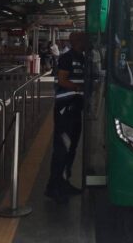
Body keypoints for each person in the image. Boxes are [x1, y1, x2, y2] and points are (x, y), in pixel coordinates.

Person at [45, 32, 87, 203]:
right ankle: (54, 187)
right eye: (83, 40)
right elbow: (62, 80)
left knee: (72, 148)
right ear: (75, 41)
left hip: (76, 108)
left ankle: (64, 181)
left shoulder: (83, 58)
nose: (85, 43)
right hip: (65, 109)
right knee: (62, 148)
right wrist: (78, 87)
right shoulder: (67, 58)